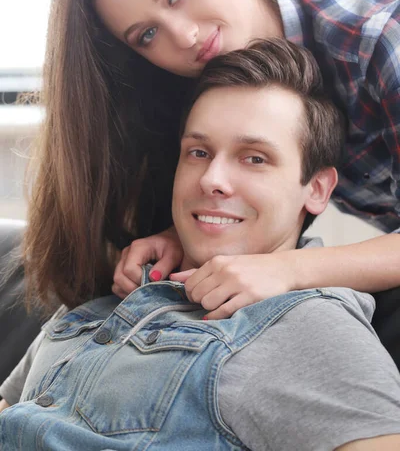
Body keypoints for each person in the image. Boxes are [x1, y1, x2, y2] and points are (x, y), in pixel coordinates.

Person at [3, 0, 400, 378]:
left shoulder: (380, 36)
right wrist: (181, 234)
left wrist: (288, 271)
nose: (185, 35)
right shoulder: (201, 65)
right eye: (147, 34)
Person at [2, 41, 400, 451]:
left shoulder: (304, 326)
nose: (212, 178)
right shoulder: (107, 297)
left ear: (316, 189)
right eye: (199, 152)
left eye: (255, 158)